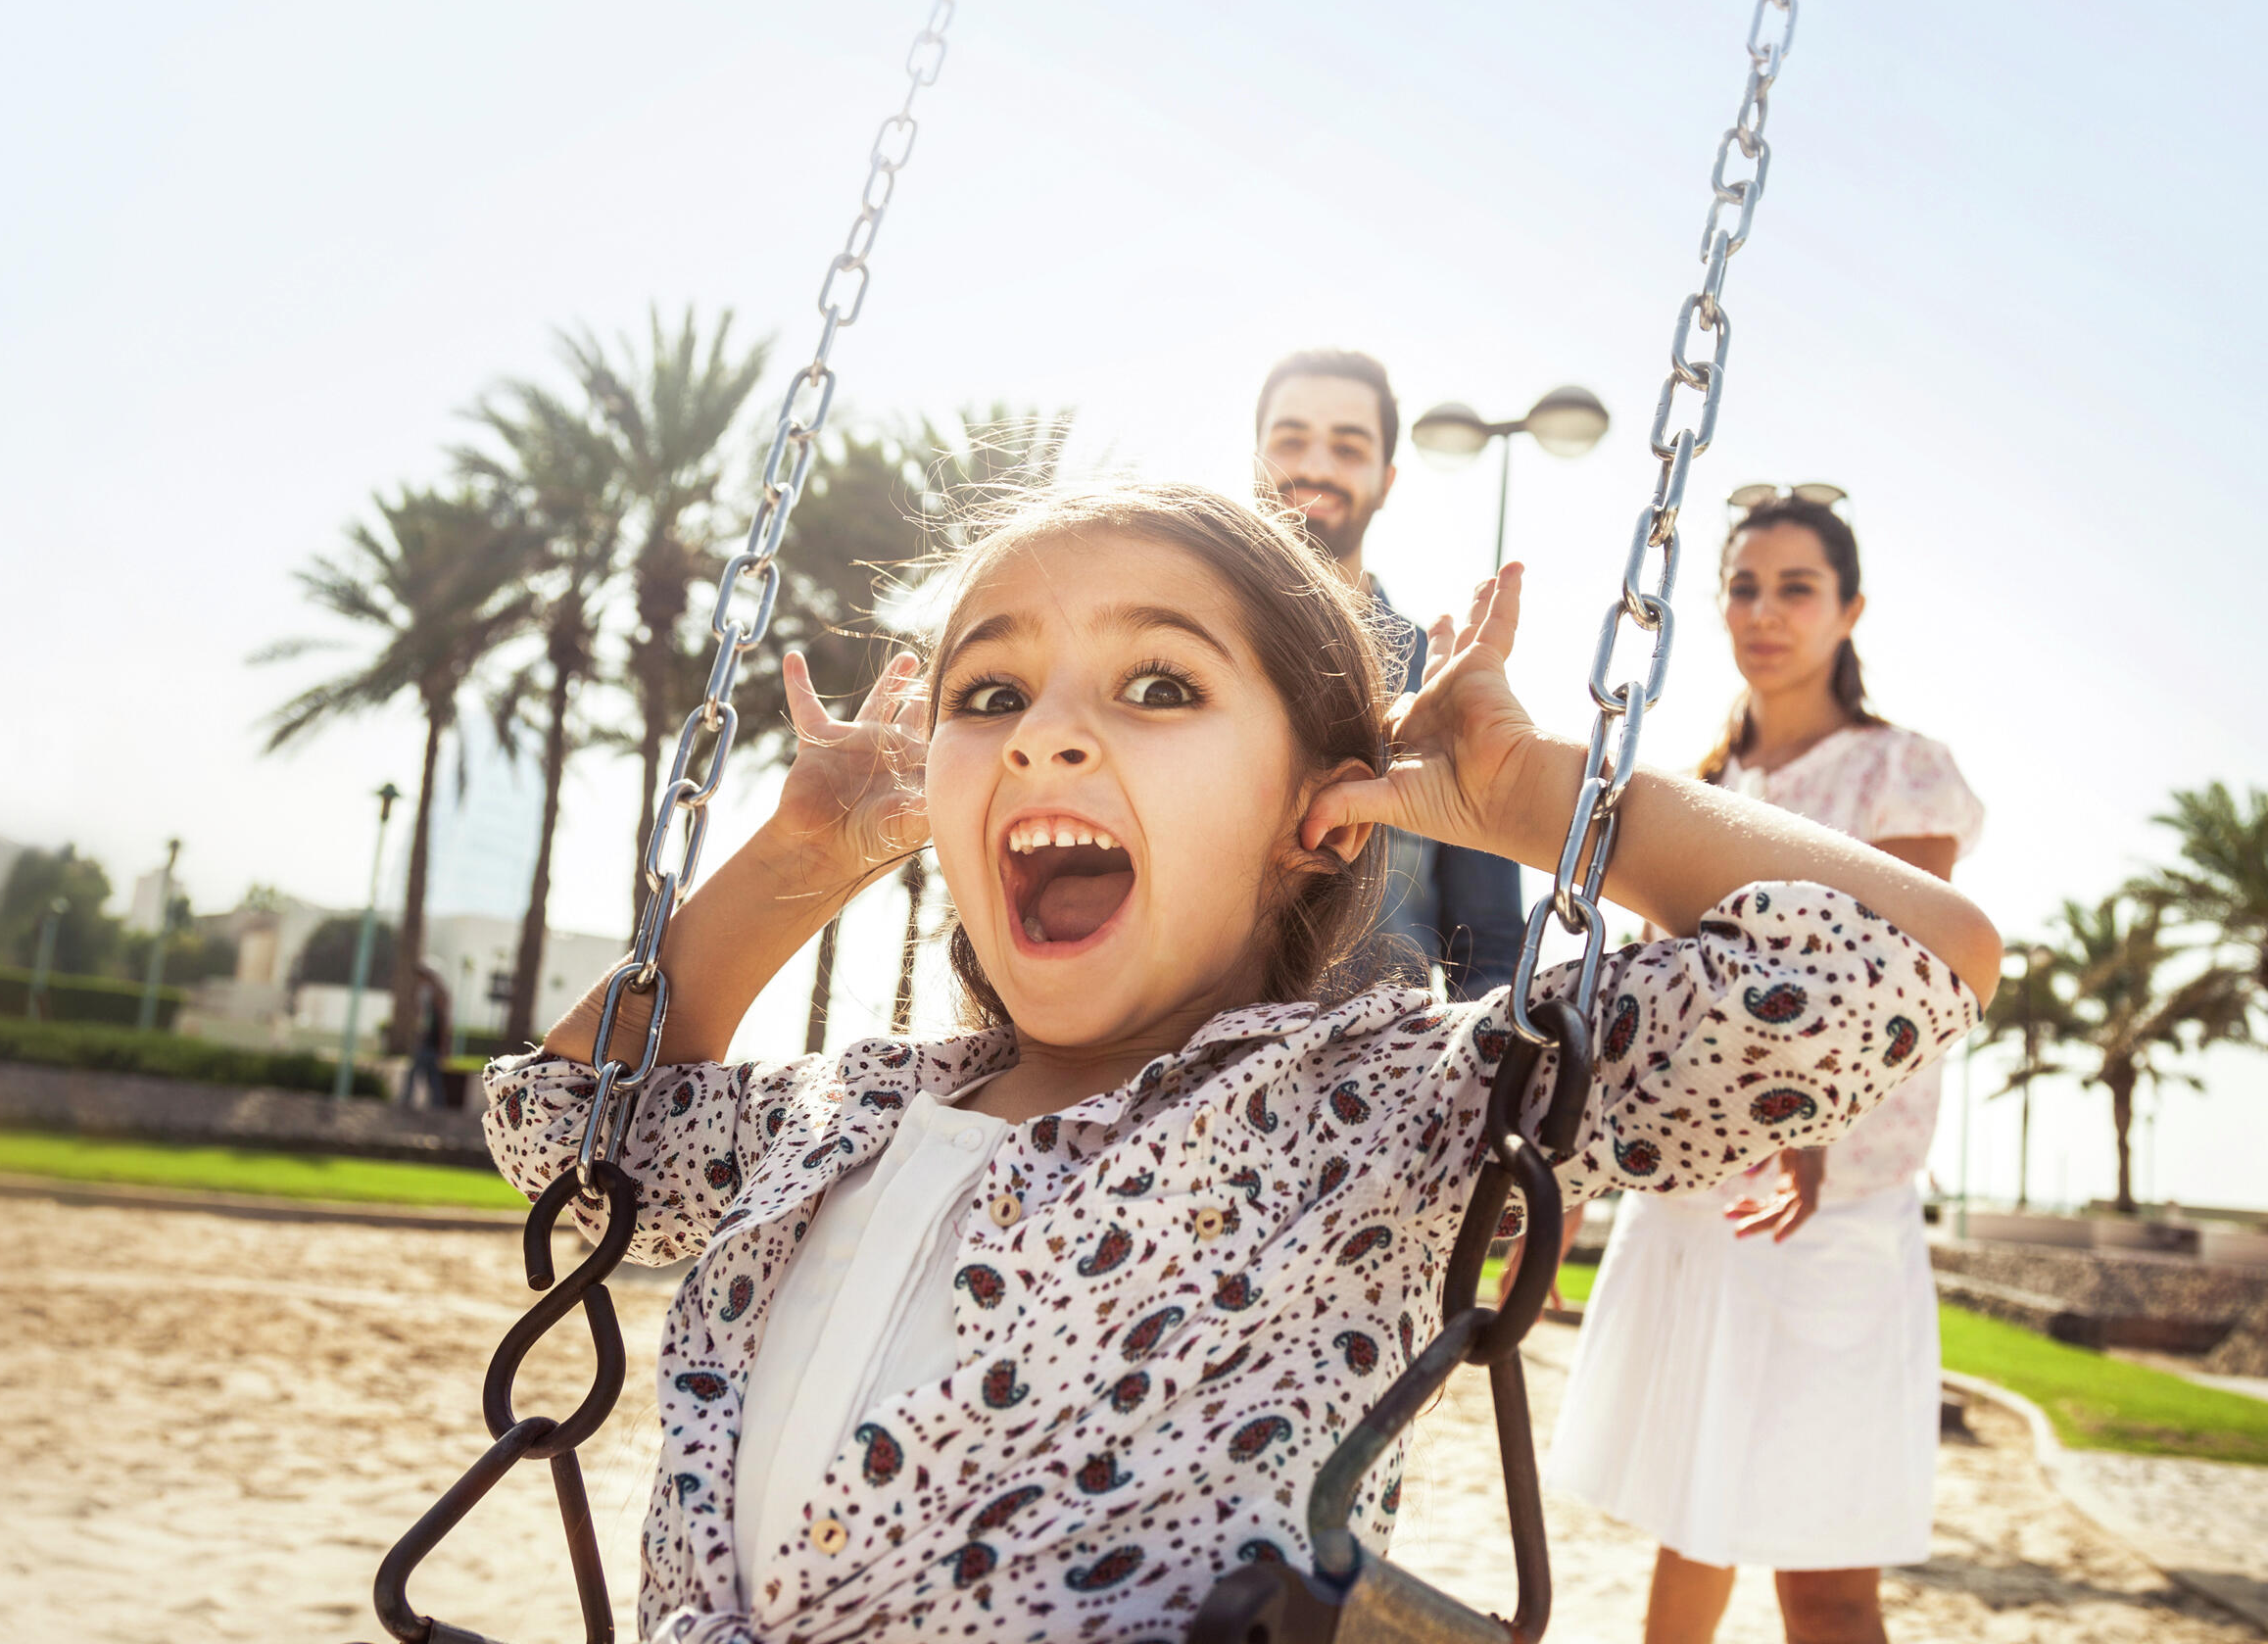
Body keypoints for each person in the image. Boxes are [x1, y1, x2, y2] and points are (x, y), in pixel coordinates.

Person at [480, 480, 1995, 1643]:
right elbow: (567, 1132)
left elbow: (1902, 960)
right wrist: (801, 858)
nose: (1044, 739)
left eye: (1158, 687)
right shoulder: (848, 1111)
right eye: (988, 693)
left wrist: (1528, 792)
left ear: (1312, 804)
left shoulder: (1391, 1104)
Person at [1548, 491, 1986, 1644]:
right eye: (1744, 586)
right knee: (1690, 1534)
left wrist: (1809, 1135)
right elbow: (1647, 1015)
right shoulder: (1699, 789)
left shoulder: (1902, 775)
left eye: (1797, 587)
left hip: (1829, 1218)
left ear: (1851, 610)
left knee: (1829, 1579)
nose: (1765, 612)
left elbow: (1897, 988)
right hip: (1700, 1202)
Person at [1252, 347, 1524, 999]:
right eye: (1292, 440)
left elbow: (1487, 942)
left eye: (1348, 448)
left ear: (1386, 479)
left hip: (1383, 1078)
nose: (1316, 467)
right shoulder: (1177, 653)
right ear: (1255, 455)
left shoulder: (1435, 678)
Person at [400, 967, 452, 1112]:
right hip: (427, 1042)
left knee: (421, 1074)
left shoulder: (437, 997)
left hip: (431, 1043)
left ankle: (410, 1101)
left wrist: (443, 1045)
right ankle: (437, 1105)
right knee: (431, 1076)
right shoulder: (427, 996)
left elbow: (442, 1024)